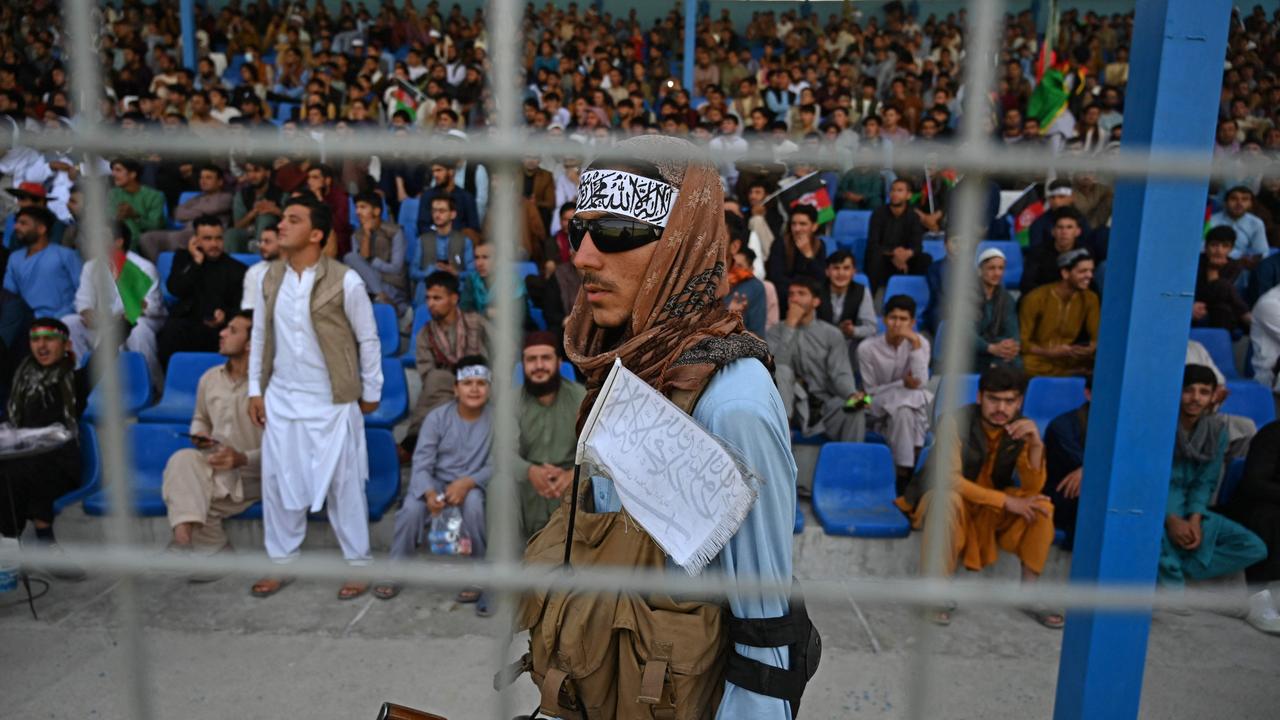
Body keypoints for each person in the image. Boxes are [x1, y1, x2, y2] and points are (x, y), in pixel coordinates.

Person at [517, 135, 806, 718]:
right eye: (579, 231)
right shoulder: (628, 366)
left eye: (617, 232)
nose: (584, 257)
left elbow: (765, 643)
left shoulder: (731, 405)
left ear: (681, 244)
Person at [246, 195, 383, 601]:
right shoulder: (267, 278)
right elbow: (258, 335)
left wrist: (371, 390)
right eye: (282, 218)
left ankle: (359, 564)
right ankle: (281, 562)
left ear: (317, 233)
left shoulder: (346, 280)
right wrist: (256, 389)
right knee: (277, 481)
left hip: (333, 400)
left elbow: (368, 338)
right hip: (282, 398)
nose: (281, 225)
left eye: (293, 219)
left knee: (344, 485)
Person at [897, 365, 1061, 628]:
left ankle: (1029, 595)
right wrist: (1006, 502)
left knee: (1042, 506)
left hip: (987, 506)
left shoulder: (1020, 429)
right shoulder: (956, 421)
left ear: (1019, 402)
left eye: (1010, 402)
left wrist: (1036, 444)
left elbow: (1032, 488)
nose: (1002, 409)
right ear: (980, 397)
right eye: (994, 400)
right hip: (944, 497)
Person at [378, 355, 493, 610]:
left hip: (473, 486)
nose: (474, 389)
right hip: (436, 483)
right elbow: (421, 463)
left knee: (474, 504)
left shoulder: (496, 421)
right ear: (455, 388)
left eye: (481, 383)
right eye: (467, 383)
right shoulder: (437, 418)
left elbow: (497, 464)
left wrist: (468, 482)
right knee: (411, 509)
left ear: (489, 388)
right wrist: (429, 492)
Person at [1159, 365, 1267, 606]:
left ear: (1212, 396)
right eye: (1188, 390)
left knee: (1254, 547)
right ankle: (1173, 587)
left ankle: (1182, 571)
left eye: (1203, 392)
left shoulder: (1216, 431)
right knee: (1154, 534)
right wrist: (1170, 518)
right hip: (1158, 507)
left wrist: (1195, 518)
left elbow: (1206, 480)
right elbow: (1150, 481)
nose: (1195, 399)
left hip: (1194, 508)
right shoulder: (1160, 427)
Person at [161, 311, 262, 561]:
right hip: (215, 465)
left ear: (251, 344)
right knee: (181, 459)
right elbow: (200, 417)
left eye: (232, 330)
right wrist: (200, 434)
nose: (222, 333)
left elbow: (288, 448)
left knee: (185, 494)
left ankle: (215, 551)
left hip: (256, 473)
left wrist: (241, 459)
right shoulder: (209, 378)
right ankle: (182, 542)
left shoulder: (272, 385)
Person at [0, 318, 87, 580]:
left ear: (66, 344)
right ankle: (9, 545)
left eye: (49, 339)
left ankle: (41, 539)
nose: (42, 345)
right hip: (19, 459)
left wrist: (126, 321)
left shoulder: (76, 379)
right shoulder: (20, 378)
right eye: (36, 340)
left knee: (31, 465)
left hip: (61, 461)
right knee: (9, 468)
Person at [62, 221, 165, 388]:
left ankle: (152, 387)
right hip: (103, 322)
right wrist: (88, 313)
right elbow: (83, 300)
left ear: (119, 242)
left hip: (136, 321)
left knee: (138, 331)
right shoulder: (91, 266)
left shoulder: (143, 267)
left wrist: (118, 318)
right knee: (69, 322)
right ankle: (84, 384)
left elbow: (148, 307)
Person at [769, 277, 865, 442]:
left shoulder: (832, 334)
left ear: (816, 301)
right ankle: (783, 437)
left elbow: (840, 373)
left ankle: (852, 464)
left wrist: (852, 394)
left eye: (801, 294)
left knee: (857, 407)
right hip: (790, 407)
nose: (794, 299)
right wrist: (790, 325)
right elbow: (777, 368)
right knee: (783, 370)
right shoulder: (775, 331)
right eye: (791, 294)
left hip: (824, 406)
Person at [404, 270, 487, 456]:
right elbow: (426, 374)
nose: (430, 304)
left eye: (437, 298)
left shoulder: (476, 322)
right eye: (428, 298)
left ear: (454, 298)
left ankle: (413, 442)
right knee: (436, 378)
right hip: (445, 392)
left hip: (480, 383)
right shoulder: (426, 334)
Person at [513, 332, 585, 539]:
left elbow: (596, 452)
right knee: (499, 484)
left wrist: (573, 475)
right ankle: (506, 564)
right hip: (526, 484)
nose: (539, 366)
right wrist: (529, 471)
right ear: (523, 365)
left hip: (570, 481)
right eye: (531, 360)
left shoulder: (580, 398)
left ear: (559, 362)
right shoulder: (510, 402)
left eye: (545, 358)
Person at [857, 295, 933, 489]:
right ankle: (911, 469)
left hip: (905, 408)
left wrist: (915, 346)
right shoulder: (867, 348)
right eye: (893, 318)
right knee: (913, 397)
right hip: (873, 404)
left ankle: (902, 472)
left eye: (903, 319)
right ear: (884, 319)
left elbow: (921, 381)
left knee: (905, 410)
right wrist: (901, 384)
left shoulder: (920, 343)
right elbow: (869, 392)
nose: (897, 324)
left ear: (913, 322)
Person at [156, 215, 247, 368]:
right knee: (170, 332)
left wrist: (226, 315)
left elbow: (243, 307)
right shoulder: (184, 259)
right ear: (195, 240)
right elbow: (176, 289)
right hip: (188, 323)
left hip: (220, 328)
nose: (214, 244)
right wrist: (196, 262)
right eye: (207, 239)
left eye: (218, 238)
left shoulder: (237, 269)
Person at [1223, 419, 1280, 634]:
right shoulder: (1273, 433)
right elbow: (1255, 482)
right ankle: (1258, 598)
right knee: (1272, 519)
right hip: (1259, 505)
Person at [1019, 249, 1100, 377]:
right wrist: (1049, 352)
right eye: (1083, 271)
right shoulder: (1036, 298)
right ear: (1065, 273)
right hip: (1040, 357)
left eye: (1091, 271)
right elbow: (1022, 342)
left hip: (1069, 357)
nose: (1089, 276)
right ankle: (1069, 374)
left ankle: (1067, 373)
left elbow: (1096, 337)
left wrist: (1090, 348)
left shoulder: (1090, 298)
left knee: (1103, 361)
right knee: (1024, 364)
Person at [3, 206, 82, 330]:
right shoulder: (14, 258)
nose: (16, 227)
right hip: (26, 323)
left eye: (23, 223)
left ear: (41, 229)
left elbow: (82, 291)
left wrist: (63, 314)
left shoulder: (66, 255)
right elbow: (9, 294)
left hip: (64, 321)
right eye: (17, 223)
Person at [138, 163, 233, 260]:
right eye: (201, 178)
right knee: (147, 238)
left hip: (208, 236)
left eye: (208, 178)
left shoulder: (226, 197)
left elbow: (213, 208)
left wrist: (191, 212)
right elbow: (178, 213)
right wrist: (200, 213)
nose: (203, 181)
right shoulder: (197, 198)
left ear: (220, 182)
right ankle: (158, 270)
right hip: (184, 234)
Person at [1044, 375, 1092, 551]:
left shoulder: (1122, 425)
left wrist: (1089, 471)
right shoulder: (1062, 425)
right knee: (1089, 493)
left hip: (1091, 492)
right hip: (1061, 495)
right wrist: (1090, 471)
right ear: (1088, 393)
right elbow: (1078, 464)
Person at [344, 191, 408, 313]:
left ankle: (386, 299)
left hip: (391, 284)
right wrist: (367, 236)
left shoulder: (395, 232)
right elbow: (357, 266)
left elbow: (396, 268)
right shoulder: (357, 235)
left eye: (363, 207)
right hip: (368, 286)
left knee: (351, 258)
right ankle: (383, 297)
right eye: (357, 208)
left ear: (377, 211)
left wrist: (372, 261)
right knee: (350, 258)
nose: (358, 212)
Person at [865, 178, 930, 292]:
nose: (894, 194)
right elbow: (873, 243)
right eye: (893, 190)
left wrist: (905, 255)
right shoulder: (878, 213)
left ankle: (917, 294)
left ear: (908, 195)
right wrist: (893, 253)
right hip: (884, 257)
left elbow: (917, 246)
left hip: (906, 260)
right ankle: (871, 298)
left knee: (925, 259)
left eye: (900, 190)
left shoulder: (913, 216)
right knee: (874, 256)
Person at [764, 204, 828, 314]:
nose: (797, 229)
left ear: (814, 226)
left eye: (803, 224)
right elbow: (776, 276)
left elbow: (821, 277)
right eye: (794, 224)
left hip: (809, 291)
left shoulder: (819, 245)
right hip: (785, 291)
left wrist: (808, 255)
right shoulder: (780, 243)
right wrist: (799, 291)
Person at [817, 249, 878, 360]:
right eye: (836, 268)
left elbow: (871, 327)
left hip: (848, 346)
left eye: (846, 268)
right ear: (827, 271)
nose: (841, 273)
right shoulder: (816, 291)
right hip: (819, 343)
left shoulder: (862, 291)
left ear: (853, 272)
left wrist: (853, 331)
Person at [1194, 227, 1251, 335]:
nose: (1219, 250)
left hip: (1220, 307)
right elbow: (1201, 294)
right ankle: (1245, 314)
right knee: (1224, 287)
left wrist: (1213, 272)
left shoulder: (1234, 266)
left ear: (1231, 249)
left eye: (1225, 246)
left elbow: (1221, 295)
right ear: (1206, 246)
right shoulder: (1196, 263)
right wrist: (1213, 269)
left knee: (1224, 309)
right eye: (1214, 245)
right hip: (1199, 305)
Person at [972, 248, 1021, 370]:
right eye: (991, 268)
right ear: (979, 270)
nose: (997, 273)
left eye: (1000, 268)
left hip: (996, 349)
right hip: (972, 351)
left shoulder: (1006, 298)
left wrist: (1009, 346)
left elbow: (1013, 332)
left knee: (1015, 362)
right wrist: (991, 348)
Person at [410, 196, 475, 282]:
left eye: (442, 211)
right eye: (434, 211)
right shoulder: (422, 240)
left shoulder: (465, 241)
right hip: (428, 287)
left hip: (455, 288)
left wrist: (456, 273)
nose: (437, 215)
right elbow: (412, 272)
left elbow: (473, 273)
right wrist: (428, 272)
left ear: (453, 214)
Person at [225, 158, 284, 253]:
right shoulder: (242, 195)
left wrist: (275, 210)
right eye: (249, 171)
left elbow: (291, 221)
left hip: (275, 235)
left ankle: (261, 257)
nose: (252, 175)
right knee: (231, 234)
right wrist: (254, 212)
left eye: (256, 171)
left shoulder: (281, 193)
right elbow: (237, 225)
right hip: (247, 235)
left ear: (267, 173)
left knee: (265, 217)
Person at [459, 240, 525, 321]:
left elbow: (519, 315)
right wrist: (487, 313)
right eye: (476, 257)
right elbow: (465, 309)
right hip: (480, 328)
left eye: (485, 257)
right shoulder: (472, 279)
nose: (479, 263)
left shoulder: (512, 281)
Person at [107, 158, 166, 242]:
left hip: (144, 239)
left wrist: (135, 216)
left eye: (118, 170)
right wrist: (118, 216)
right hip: (115, 237)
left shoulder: (154, 196)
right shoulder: (113, 194)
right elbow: (107, 217)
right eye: (113, 170)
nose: (113, 174)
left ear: (132, 174)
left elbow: (155, 225)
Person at [1209, 186, 1269, 262]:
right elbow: (1202, 246)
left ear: (1251, 204)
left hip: (1243, 265)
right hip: (1214, 259)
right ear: (1225, 202)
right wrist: (1238, 255)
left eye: (1244, 199)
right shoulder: (1212, 220)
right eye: (1234, 199)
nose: (1239, 203)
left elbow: (1262, 252)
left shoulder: (1256, 223)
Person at [241, 227, 280, 312]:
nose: (261, 246)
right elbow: (249, 306)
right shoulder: (254, 271)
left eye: (267, 242)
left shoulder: (296, 268)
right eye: (260, 241)